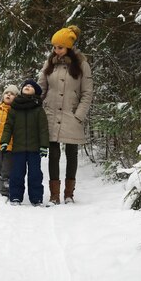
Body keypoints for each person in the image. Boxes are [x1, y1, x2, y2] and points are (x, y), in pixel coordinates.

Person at [38, 25, 93, 204]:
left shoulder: (82, 64)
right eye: (54, 47)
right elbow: (41, 87)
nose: (56, 50)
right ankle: (54, 195)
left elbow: (87, 92)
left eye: (60, 47)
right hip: (51, 114)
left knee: (72, 153)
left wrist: (79, 115)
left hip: (71, 114)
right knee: (53, 154)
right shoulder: (50, 63)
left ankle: (69, 194)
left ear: (69, 46)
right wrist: (37, 105)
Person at [0, 79, 49, 206]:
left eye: (31, 86)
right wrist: (4, 141)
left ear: (35, 92)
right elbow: (8, 126)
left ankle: (36, 198)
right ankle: (16, 196)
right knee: (16, 173)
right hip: (18, 148)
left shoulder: (38, 109)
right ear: (21, 90)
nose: (27, 86)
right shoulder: (15, 108)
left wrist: (44, 146)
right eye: (25, 85)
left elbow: (43, 129)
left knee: (35, 174)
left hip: (35, 149)